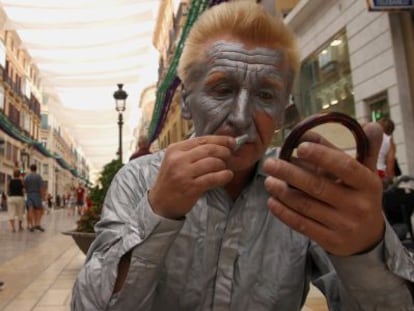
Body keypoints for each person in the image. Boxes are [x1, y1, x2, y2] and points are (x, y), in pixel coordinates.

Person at [72, 2, 414, 310]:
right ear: (187, 103)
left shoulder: (300, 188)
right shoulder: (139, 181)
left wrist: (363, 250)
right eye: (222, 89)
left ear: (282, 112)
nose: (240, 116)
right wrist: (158, 211)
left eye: (266, 94)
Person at [24, 164, 45, 232]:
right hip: (37, 194)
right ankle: (37, 224)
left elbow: (25, 187)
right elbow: (41, 187)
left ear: (30, 169)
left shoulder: (27, 177)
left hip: (29, 194)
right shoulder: (39, 177)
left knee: (30, 210)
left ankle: (31, 225)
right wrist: (42, 197)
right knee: (38, 210)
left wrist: (28, 192)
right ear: (36, 169)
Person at [376, 116, 396, 187]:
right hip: (380, 173)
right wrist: (390, 178)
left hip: (367, 171)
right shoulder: (389, 141)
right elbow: (390, 161)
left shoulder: (371, 136)